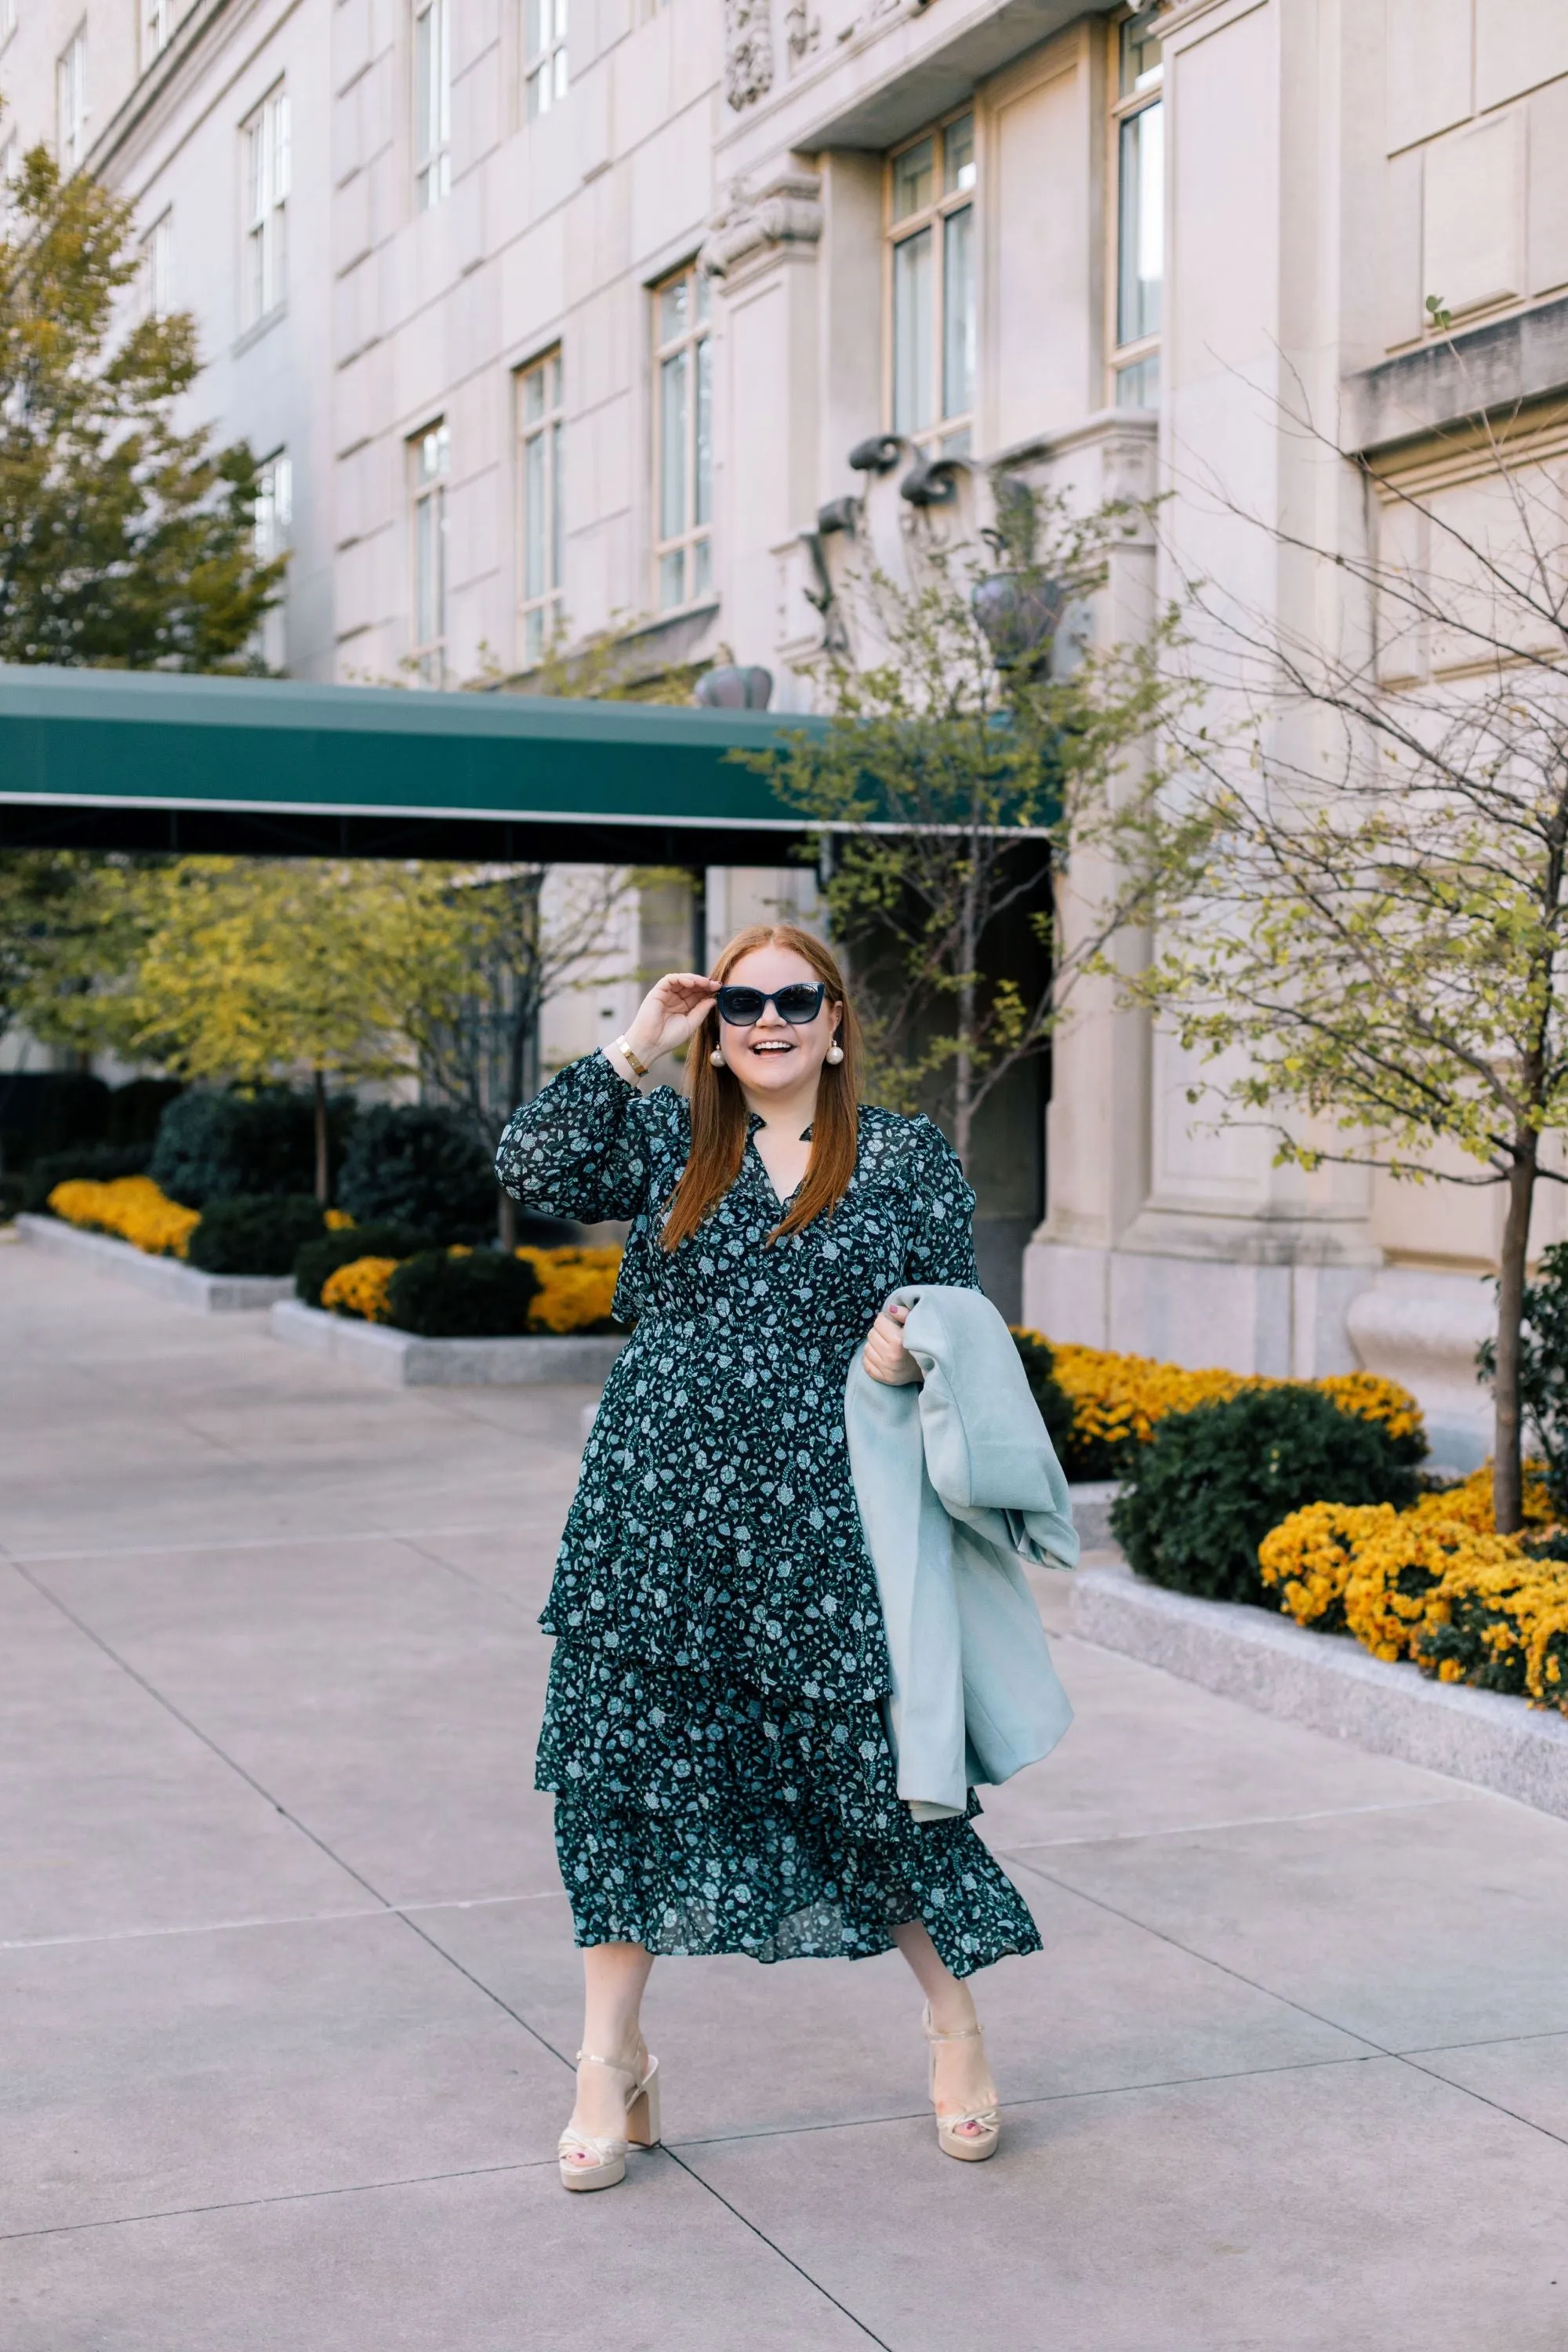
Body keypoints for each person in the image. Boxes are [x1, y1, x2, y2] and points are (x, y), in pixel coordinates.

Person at [496, 923, 1043, 2191]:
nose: (768, 1019)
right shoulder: (669, 1134)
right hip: (657, 1511)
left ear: (837, 1022)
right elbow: (534, 1163)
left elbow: (955, 1303)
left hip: (827, 1509)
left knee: (874, 1774)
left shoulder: (899, 1151)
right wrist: (639, 1044)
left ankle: (954, 2030)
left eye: (796, 998)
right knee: (626, 1776)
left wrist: (907, 1335)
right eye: (742, 1003)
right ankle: (605, 2061)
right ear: (719, 1027)